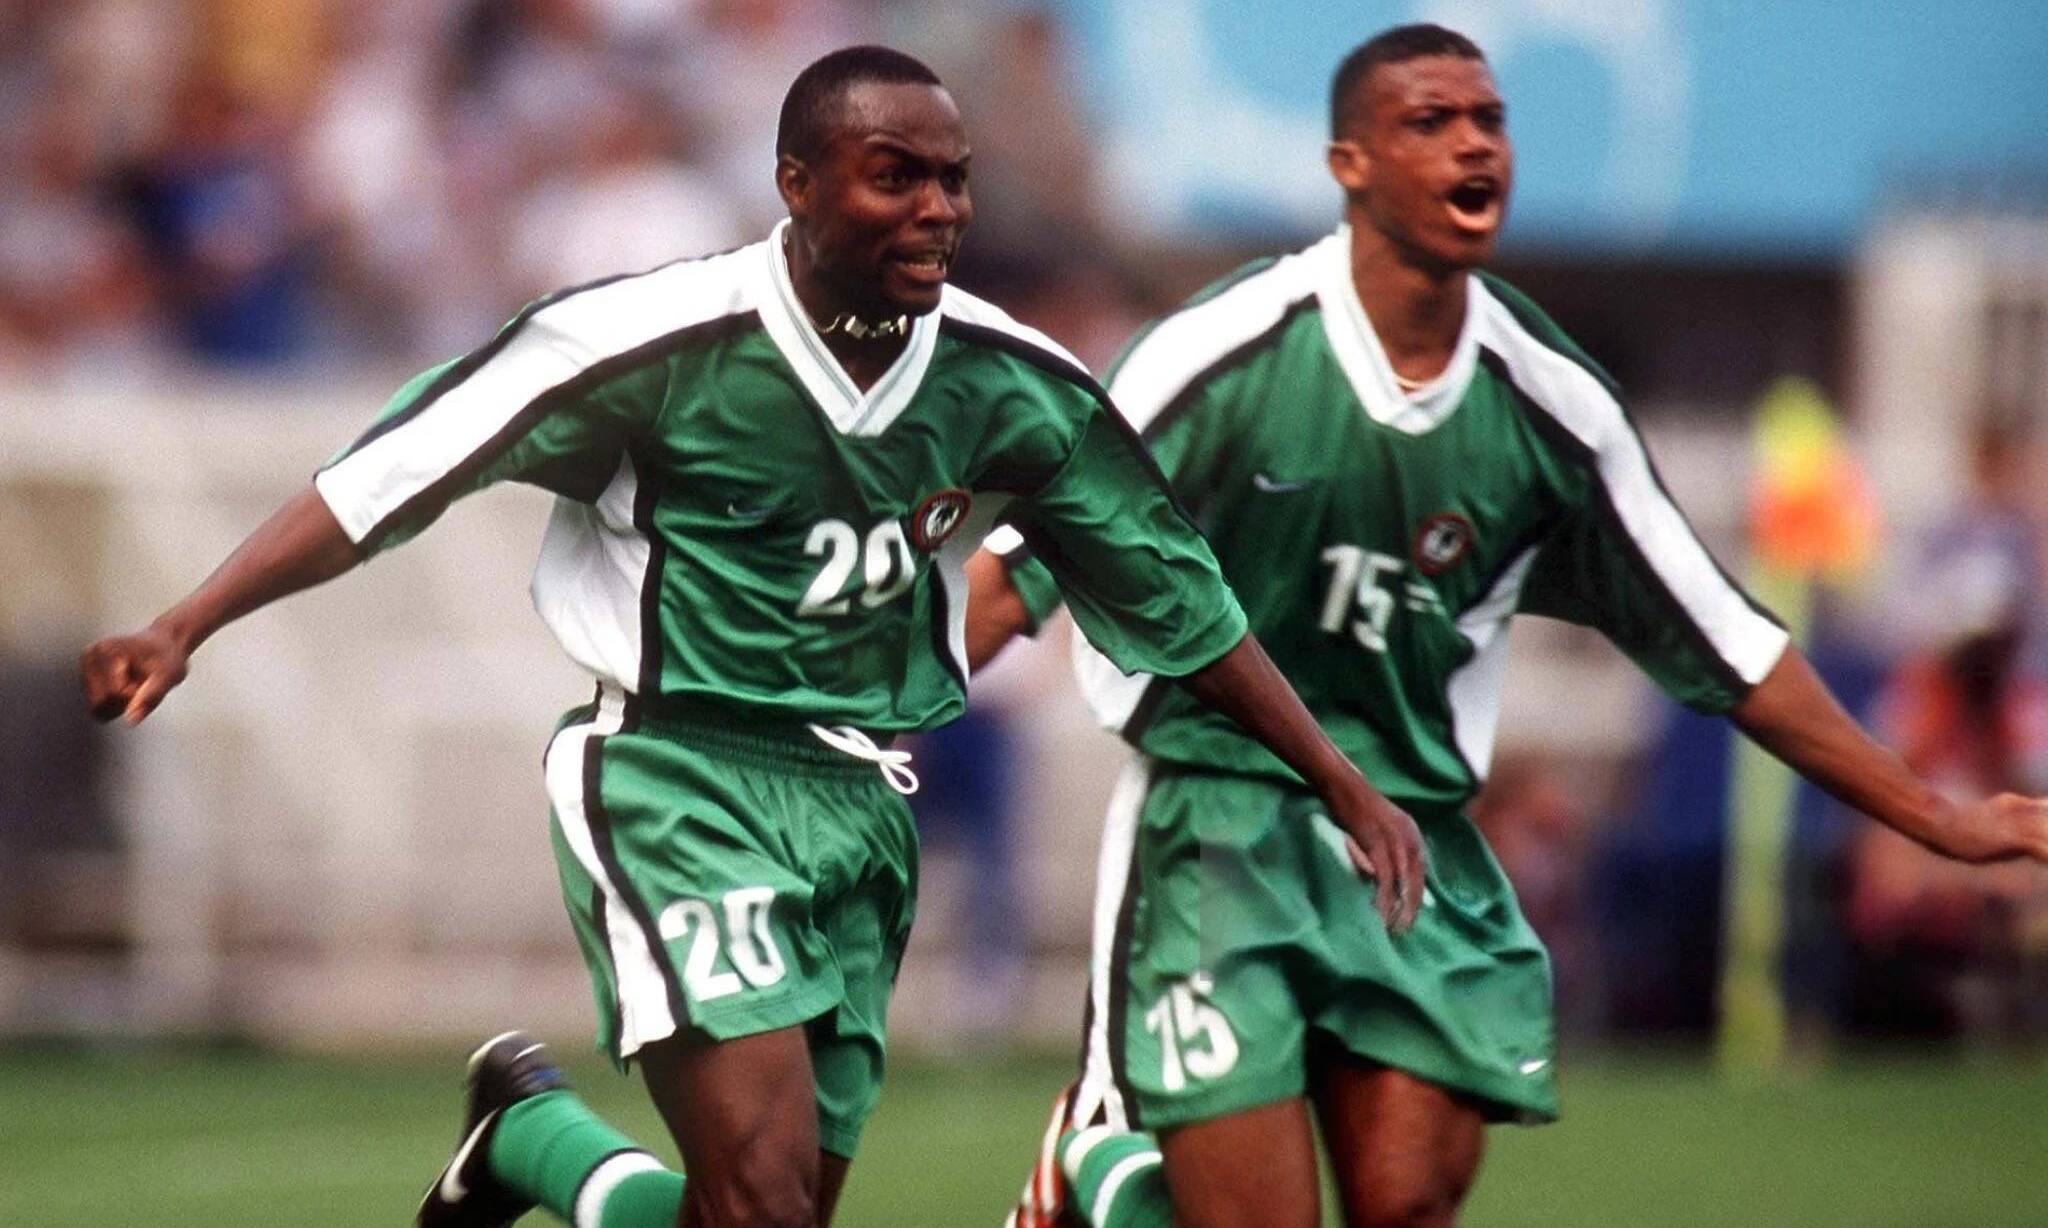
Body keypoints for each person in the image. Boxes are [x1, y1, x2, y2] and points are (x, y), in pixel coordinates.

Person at [77, 46, 1427, 1228]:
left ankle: (535, 1141)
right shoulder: (647, 344)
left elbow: (1179, 598)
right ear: (795, 182)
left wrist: (1339, 778)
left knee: (754, 1213)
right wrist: (187, 621)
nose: (937, 209)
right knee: (764, 1202)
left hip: (864, 801)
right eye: (894, 176)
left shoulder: (1012, 385)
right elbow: (395, 474)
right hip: (675, 776)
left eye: (953, 180)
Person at [977, 25, 2048, 1228]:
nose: (1472, 144)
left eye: (1487, 120)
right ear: (1348, 164)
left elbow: (1732, 649)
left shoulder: (1550, 408)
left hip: (1412, 844)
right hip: (1219, 828)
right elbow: (1014, 576)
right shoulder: (1220, 356)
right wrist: (858, 718)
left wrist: (1936, 815)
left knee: (1406, 1202)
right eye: (1429, 121)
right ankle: (1098, 1156)